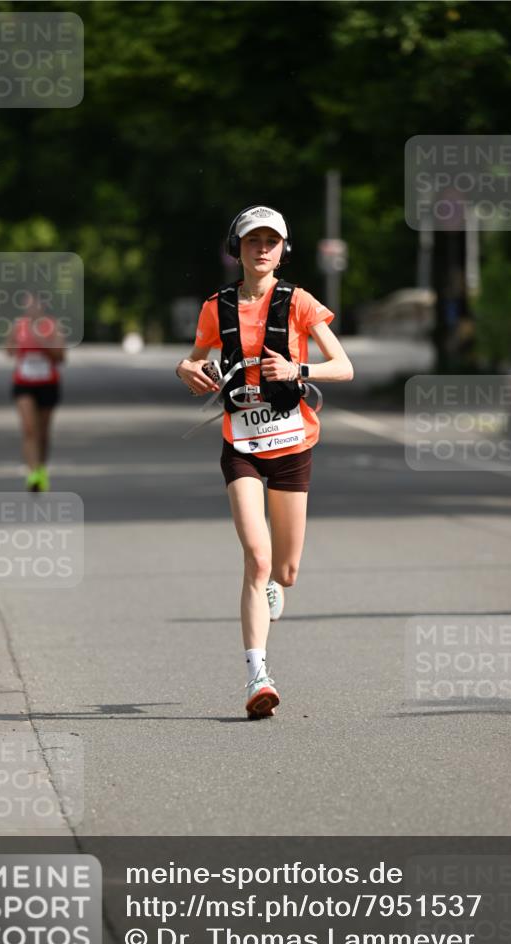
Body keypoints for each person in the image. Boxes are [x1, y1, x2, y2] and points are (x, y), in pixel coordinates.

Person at [175, 205, 354, 717]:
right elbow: (193, 358)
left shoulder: (298, 302)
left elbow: (343, 366)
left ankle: (277, 583)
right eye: (253, 240)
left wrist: (298, 367)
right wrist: (187, 370)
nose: (262, 249)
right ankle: (258, 675)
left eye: (271, 241)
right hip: (243, 447)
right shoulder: (218, 305)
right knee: (256, 557)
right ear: (238, 248)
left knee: (286, 570)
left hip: (293, 443)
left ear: (283, 249)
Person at [5, 292, 66, 492]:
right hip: (24, 382)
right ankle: (32, 474)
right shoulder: (18, 326)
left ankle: (41, 468)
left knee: (43, 432)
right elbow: (8, 350)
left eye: (34, 305)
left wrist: (43, 343)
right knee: (29, 429)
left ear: (42, 307)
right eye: (27, 306)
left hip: (47, 383)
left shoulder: (52, 326)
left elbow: (61, 357)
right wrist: (16, 345)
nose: (31, 310)